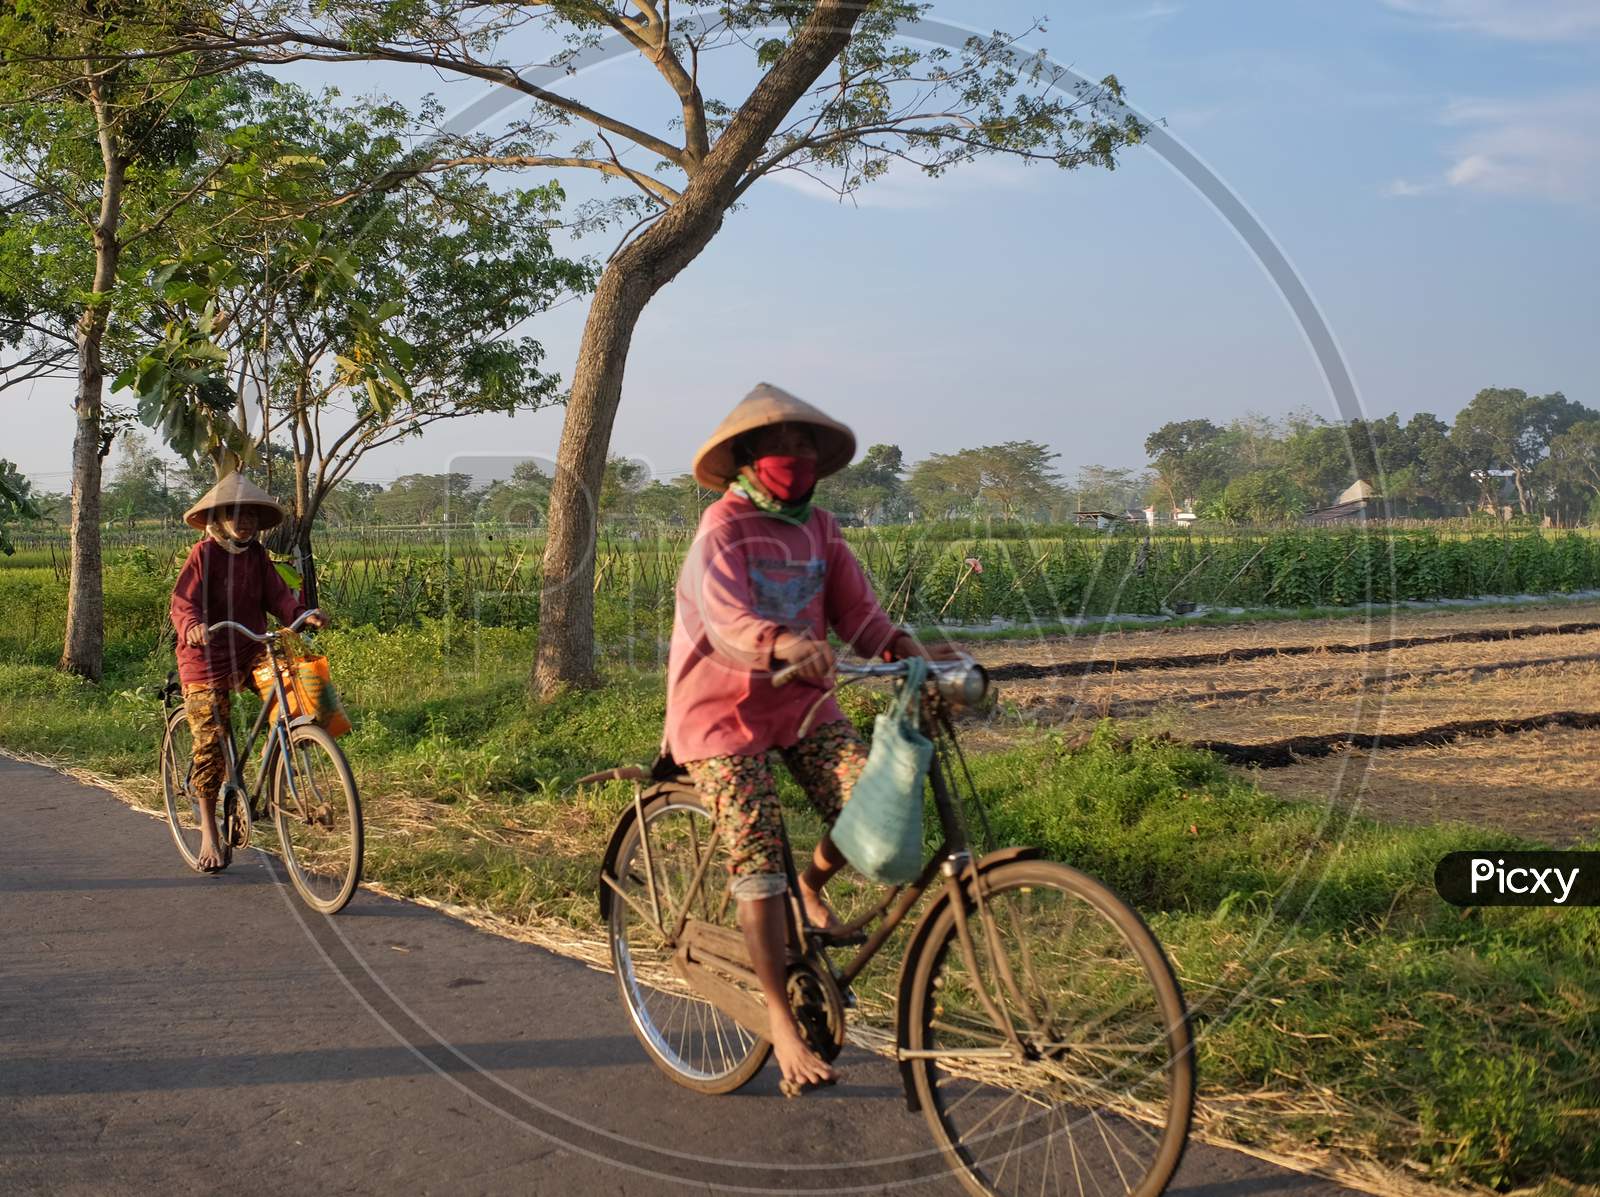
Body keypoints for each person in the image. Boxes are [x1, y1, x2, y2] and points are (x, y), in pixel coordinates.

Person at [665, 382, 955, 1091]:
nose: (797, 456)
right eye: (783, 444)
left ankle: (813, 881)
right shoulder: (722, 531)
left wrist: (914, 653)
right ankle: (782, 1023)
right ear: (748, 455)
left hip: (803, 707)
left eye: (806, 445)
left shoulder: (822, 531)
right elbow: (728, 622)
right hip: (722, 713)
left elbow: (864, 617)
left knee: (876, 805)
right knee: (757, 858)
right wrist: (786, 642)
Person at [169, 473, 326, 873]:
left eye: (252, 515)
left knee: (298, 688)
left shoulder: (257, 556)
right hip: (206, 656)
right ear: (218, 520)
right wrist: (192, 626)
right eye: (236, 514)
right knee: (210, 743)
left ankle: (292, 752)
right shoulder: (202, 555)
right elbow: (183, 602)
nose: (246, 521)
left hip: (252, 646)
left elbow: (278, 596)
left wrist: (301, 614)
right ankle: (208, 830)